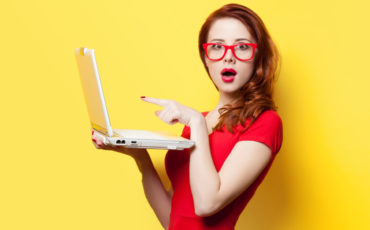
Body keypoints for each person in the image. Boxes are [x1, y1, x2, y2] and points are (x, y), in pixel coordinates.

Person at [92, 3, 283, 230]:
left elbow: (208, 203)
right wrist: (141, 159)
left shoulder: (266, 123)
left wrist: (196, 123)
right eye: (217, 47)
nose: (228, 57)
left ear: (257, 56)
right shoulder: (196, 123)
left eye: (242, 47)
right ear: (205, 58)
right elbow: (172, 219)